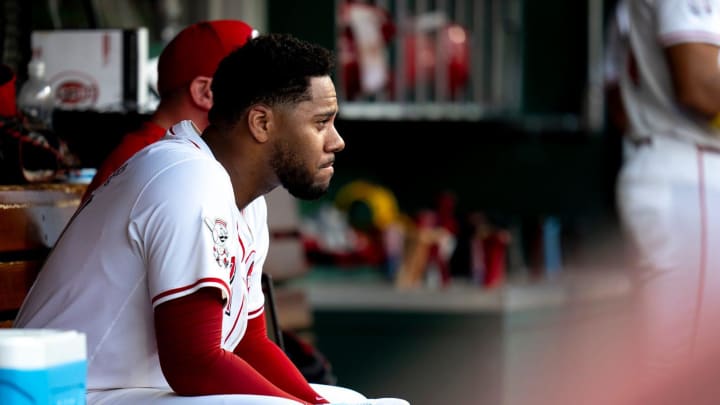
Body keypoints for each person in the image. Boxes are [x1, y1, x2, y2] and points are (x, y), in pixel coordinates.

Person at [14, 33, 409, 405]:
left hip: (136, 391)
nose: (336, 140)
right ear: (261, 123)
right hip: (76, 393)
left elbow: (246, 342)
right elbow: (193, 363)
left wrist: (314, 402)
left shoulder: (245, 198)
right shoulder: (187, 178)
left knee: (358, 402)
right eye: (320, 123)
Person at [615, 0, 720, 398]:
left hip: (676, 168)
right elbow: (700, 86)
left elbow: (616, 100)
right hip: (687, 172)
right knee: (684, 377)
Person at [81, 19, 257, 203]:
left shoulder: (175, 154)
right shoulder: (158, 162)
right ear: (205, 93)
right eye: (254, 87)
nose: (264, 102)